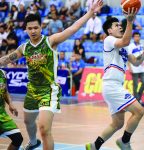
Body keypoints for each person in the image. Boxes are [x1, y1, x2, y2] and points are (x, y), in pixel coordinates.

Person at [0, 1, 103, 150]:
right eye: (30, 28)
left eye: (36, 27)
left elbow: (73, 28)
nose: (33, 31)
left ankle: (39, 141)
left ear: (41, 27)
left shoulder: (51, 41)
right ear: (26, 30)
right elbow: (7, 58)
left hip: (49, 90)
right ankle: (34, 142)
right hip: (32, 91)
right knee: (28, 122)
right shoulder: (24, 48)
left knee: (44, 128)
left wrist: (89, 13)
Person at [85, 8, 144, 150]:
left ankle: (94, 145)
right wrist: (130, 22)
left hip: (114, 86)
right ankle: (124, 141)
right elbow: (125, 41)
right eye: (116, 25)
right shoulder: (109, 40)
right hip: (111, 85)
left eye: (120, 25)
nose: (120, 26)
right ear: (109, 30)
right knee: (139, 111)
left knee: (117, 123)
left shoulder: (123, 47)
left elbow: (135, 62)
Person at [0, 69, 23, 150]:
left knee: (18, 139)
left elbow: (5, 91)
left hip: (2, 114)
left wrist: (10, 103)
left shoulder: (3, 73)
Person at [127, 32, 144, 107]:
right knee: (135, 85)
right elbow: (128, 57)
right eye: (135, 36)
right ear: (133, 38)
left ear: (140, 37)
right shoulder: (130, 46)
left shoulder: (142, 46)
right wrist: (130, 67)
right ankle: (137, 101)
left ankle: (138, 98)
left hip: (141, 68)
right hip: (134, 67)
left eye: (138, 36)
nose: (137, 38)